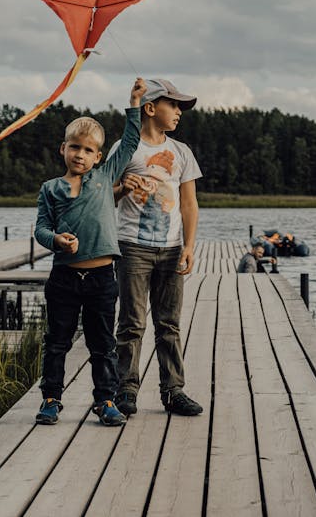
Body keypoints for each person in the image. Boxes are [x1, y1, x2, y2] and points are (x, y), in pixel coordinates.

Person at [34, 77, 147, 427]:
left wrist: (133, 103)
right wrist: (56, 240)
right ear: (63, 149)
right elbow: (40, 229)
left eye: (87, 150)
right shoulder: (50, 189)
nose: (80, 155)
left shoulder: (104, 176)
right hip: (65, 277)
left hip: (101, 278)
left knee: (103, 346)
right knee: (57, 343)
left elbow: (130, 142)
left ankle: (105, 401)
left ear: (98, 156)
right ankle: (52, 398)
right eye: (74, 147)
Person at [110, 78, 204, 417]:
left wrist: (189, 246)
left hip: (171, 248)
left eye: (180, 107)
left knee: (169, 323)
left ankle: (173, 390)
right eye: (173, 105)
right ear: (150, 108)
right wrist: (122, 188)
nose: (179, 112)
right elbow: (102, 196)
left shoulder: (181, 152)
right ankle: (126, 391)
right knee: (132, 322)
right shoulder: (126, 148)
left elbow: (189, 204)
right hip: (133, 246)